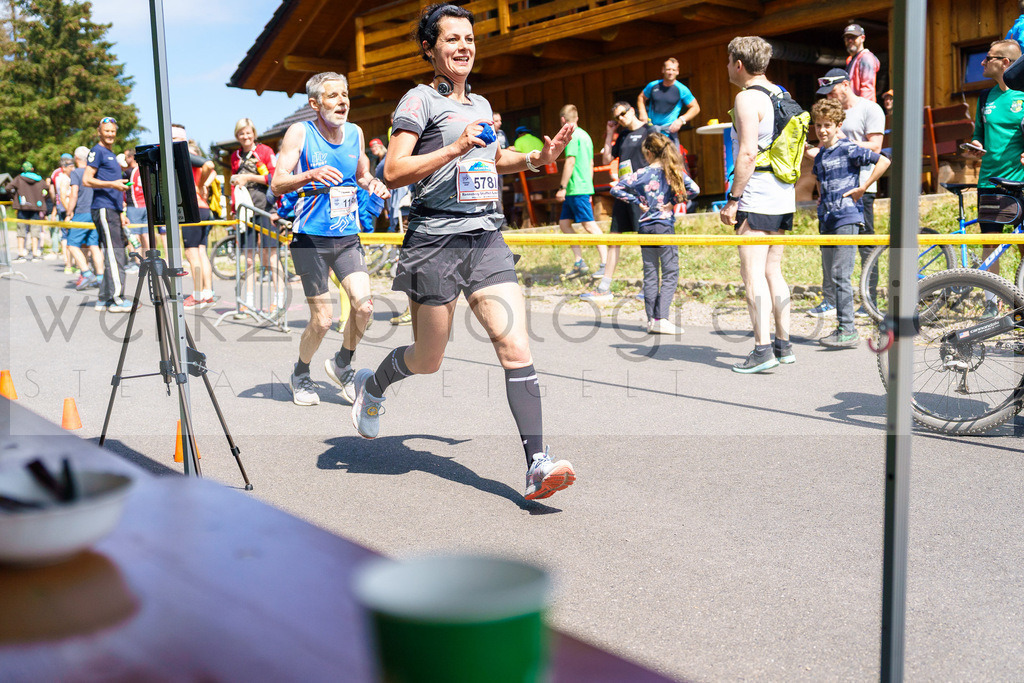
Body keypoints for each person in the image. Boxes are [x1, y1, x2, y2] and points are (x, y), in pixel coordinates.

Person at [354, 3, 577, 502]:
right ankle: (374, 384)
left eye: (469, 39)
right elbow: (393, 171)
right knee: (428, 358)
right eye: (451, 39)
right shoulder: (417, 101)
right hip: (435, 239)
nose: (463, 47)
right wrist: (454, 149)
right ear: (430, 49)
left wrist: (539, 157)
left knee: (515, 345)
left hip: (485, 236)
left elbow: (493, 158)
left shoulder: (478, 104)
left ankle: (537, 465)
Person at [270, 71, 389, 407]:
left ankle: (342, 364)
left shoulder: (355, 132)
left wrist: (372, 184)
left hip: (346, 237)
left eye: (345, 95)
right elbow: (278, 182)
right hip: (310, 239)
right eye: (334, 96)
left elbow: (362, 173)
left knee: (364, 307)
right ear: (315, 103)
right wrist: (310, 175)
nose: (342, 102)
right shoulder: (301, 132)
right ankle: (301, 372)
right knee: (322, 320)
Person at [719, 36, 794, 374]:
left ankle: (762, 349)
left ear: (738, 64)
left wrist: (733, 200)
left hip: (757, 192)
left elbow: (747, 152)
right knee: (773, 270)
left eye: (728, 61)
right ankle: (784, 343)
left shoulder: (747, 98)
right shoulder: (783, 95)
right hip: (782, 192)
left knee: (752, 274)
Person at [810, 98, 890, 348]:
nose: (822, 130)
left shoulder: (849, 148)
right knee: (831, 276)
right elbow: (820, 183)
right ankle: (843, 325)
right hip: (827, 219)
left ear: (838, 125)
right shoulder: (821, 155)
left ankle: (847, 329)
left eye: (828, 125)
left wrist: (863, 187)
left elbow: (884, 160)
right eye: (818, 125)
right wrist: (821, 202)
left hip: (848, 217)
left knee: (841, 273)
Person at [610, 133, 698, 335]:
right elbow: (694, 189)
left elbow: (617, 189)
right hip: (664, 227)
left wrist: (637, 202)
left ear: (648, 152)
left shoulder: (641, 173)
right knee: (670, 272)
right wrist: (674, 202)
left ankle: (651, 320)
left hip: (645, 227)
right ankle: (662, 318)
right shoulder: (673, 171)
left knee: (650, 274)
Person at [963, 38, 1024, 317]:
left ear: (1006, 63)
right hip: (989, 181)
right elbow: (978, 135)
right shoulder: (985, 98)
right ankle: (991, 304)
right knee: (989, 244)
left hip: (1020, 183)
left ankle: (1021, 304)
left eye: (988, 58)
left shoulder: (1023, 96)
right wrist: (974, 148)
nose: (982, 62)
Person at [585, 101, 656, 301]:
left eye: (623, 114)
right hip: (624, 192)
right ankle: (604, 287)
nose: (621, 119)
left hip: (643, 194)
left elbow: (661, 159)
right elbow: (607, 159)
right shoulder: (623, 135)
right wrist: (610, 133)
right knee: (614, 238)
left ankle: (649, 287)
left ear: (632, 110)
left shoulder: (649, 131)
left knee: (646, 241)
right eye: (617, 117)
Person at [230, 118, 278, 314]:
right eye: (241, 133)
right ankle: (248, 300)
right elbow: (234, 182)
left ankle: (278, 299)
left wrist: (248, 177)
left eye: (248, 133)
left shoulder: (265, 151)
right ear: (237, 136)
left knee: (271, 254)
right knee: (249, 258)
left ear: (254, 133)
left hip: (265, 208)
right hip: (244, 211)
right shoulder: (235, 156)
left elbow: (274, 178)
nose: (245, 136)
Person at [84, 116, 132, 313]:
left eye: (113, 131)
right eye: (107, 131)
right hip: (103, 208)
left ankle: (104, 298)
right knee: (115, 252)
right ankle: (116, 299)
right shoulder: (97, 151)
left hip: (113, 209)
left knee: (113, 252)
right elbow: (87, 180)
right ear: (99, 131)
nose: (110, 134)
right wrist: (113, 184)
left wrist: (121, 211)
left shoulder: (110, 154)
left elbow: (114, 187)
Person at [555, 104, 607, 280]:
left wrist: (562, 187)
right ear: (576, 117)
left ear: (563, 120)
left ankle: (605, 263)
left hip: (576, 188)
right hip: (580, 187)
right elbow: (591, 164)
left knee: (589, 225)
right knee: (564, 224)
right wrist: (589, 184)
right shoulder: (585, 136)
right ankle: (579, 262)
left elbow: (570, 162)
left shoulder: (572, 137)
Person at [66, 145, 104, 292]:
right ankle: (100, 276)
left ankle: (86, 273)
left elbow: (74, 194)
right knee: (93, 245)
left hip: (81, 212)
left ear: (76, 158)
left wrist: (69, 212)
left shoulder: (76, 173)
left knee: (71, 244)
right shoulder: (95, 172)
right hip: (94, 212)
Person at [637, 58, 700, 143]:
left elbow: (695, 108)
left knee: (671, 156)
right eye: (668, 69)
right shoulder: (653, 85)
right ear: (663, 70)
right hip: (651, 130)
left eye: (673, 70)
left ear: (677, 71)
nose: (671, 72)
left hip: (669, 132)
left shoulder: (682, 89)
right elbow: (641, 97)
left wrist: (681, 120)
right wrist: (642, 113)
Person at [5, 161, 46, 261]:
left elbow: (8, 188)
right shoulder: (39, 179)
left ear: (22, 169)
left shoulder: (19, 178)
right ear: (32, 169)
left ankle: (21, 254)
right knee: (35, 230)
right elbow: (47, 189)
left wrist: (14, 196)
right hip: (36, 207)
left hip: (23, 208)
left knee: (21, 230)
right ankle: (35, 253)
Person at [843, 23, 881, 102]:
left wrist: (862, 111)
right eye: (847, 38)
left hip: (861, 108)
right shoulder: (851, 60)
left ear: (862, 38)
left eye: (853, 37)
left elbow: (867, 88)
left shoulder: (866, 58)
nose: (850, 40)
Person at [50, 154, 75, 272]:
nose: (73, 168)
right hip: (66, 210)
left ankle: (70, 262)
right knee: (67, 237)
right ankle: (68, 263)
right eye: (70, 166)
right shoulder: (64, 178)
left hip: (64, 209)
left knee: (67, 236)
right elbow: (63, 197)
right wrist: (69, 212)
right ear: (64, 167)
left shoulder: (64, 177)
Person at [123, 149, 149, 252]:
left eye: (126, 158)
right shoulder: (144, 169)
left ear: (131, 157)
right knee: (146, 234)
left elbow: (123, 186)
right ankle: (148, 257)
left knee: (134, 234)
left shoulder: (128, 172)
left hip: (134, 206)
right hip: (145, 206)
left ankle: (137, 261)